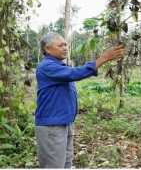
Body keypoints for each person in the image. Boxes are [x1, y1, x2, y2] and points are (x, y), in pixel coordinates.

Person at [35, 32, 126, 168]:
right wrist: (103, 58)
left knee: (65, 163)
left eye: (65, 45)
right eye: (60, 45)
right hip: (52, 125)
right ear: (47, 49)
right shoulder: (47, 67)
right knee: (53, 166)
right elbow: (75, 74)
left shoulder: (60, 66)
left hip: (64, 121)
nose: (65, 48)